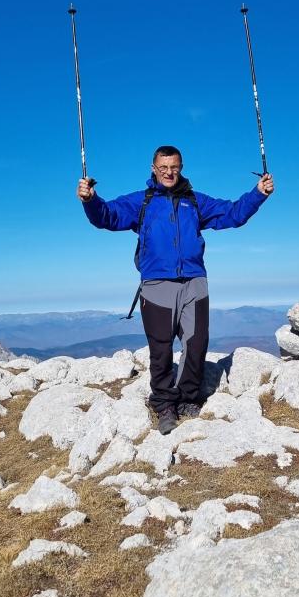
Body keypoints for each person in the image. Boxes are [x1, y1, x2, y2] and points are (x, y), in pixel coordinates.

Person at [77, 145, 274, 434]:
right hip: (157, 284)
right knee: (161, 350)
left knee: (197, 343)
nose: (169, 173)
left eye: (174, 168)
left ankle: (188, 399)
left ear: (180, 168)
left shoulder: (193, 201)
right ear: (153, 169)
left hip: (195, 281)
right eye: (163, 168)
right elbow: (107, 216)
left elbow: (233, 214)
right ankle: (164, 405)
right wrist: (90, 200)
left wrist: (258, 193)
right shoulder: (142, 201)